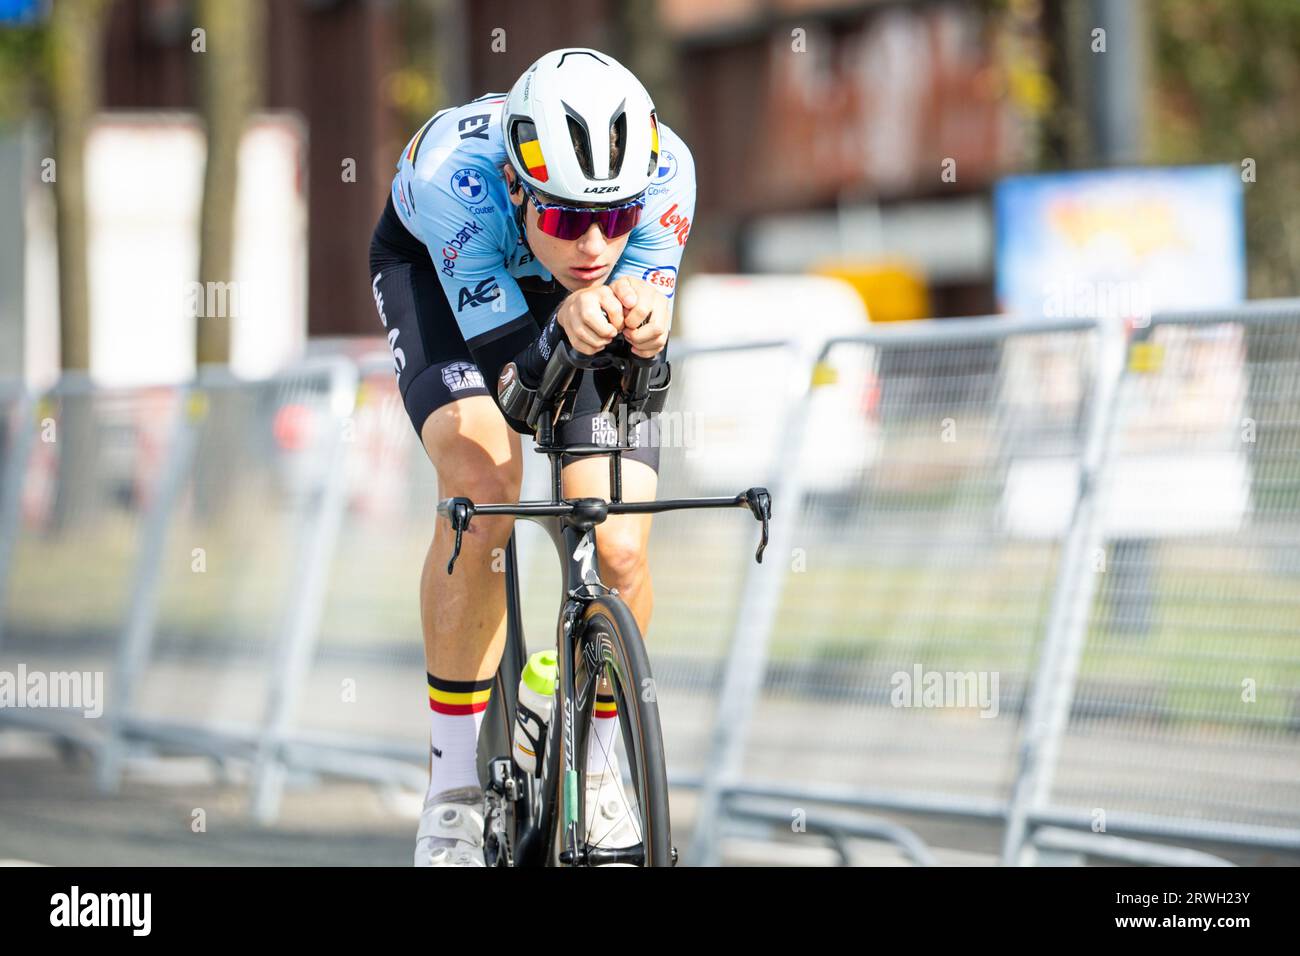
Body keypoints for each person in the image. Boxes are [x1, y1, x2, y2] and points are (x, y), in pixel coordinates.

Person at [367, 47, 696, 866]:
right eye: (566, 218)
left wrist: (648, 333)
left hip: (554, 303)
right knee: (485, 482)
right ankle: (450, 789)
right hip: (442, 275)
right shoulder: (456, 181)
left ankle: (608, 758)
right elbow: (518, 392)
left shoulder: (666, 174)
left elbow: (635, 374)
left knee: (618, 542)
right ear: (518, 187)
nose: (593, 243)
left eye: (615, 219)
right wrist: (563, 327)